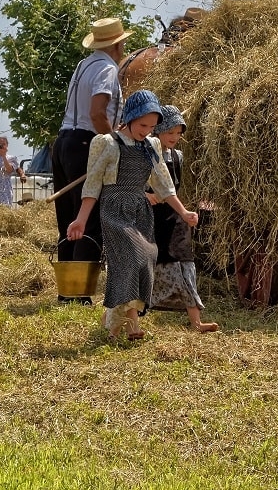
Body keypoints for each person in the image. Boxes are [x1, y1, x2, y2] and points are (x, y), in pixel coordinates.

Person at [66, 91, 200, 342]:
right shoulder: (106, 143)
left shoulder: (152, 145)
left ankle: (113, 322)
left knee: (146, 259)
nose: (147, 131)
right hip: (115, 207)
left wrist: (183, 211)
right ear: (129, 118)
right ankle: (129, 326)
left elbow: (164, 184)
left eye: (152, 126)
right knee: (133, 258)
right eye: (142, 125)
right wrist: (81, 219)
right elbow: (93, 185)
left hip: (140, 209)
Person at [51, 17, 132, 299]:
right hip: (87, 143)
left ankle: (68, 290)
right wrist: (112, 142)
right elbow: (98, 112)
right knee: (90, 216)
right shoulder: (108, 70)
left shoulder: (83, 64)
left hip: (63, 142)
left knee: (68, 218)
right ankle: (80, 293)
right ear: (118, 45)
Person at [148, 105, 219, 332]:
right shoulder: (145, 153)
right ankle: (127, 316)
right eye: (170, 132)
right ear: (157, 131)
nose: (175, 137)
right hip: (151, 219)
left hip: (175, 217)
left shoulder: (178, 157)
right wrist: (146, 195)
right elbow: (130, 183)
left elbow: (177, 191)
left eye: (178, 133)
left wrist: (186, 212)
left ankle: (196, 322)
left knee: (186, 264)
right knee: (149, 267)